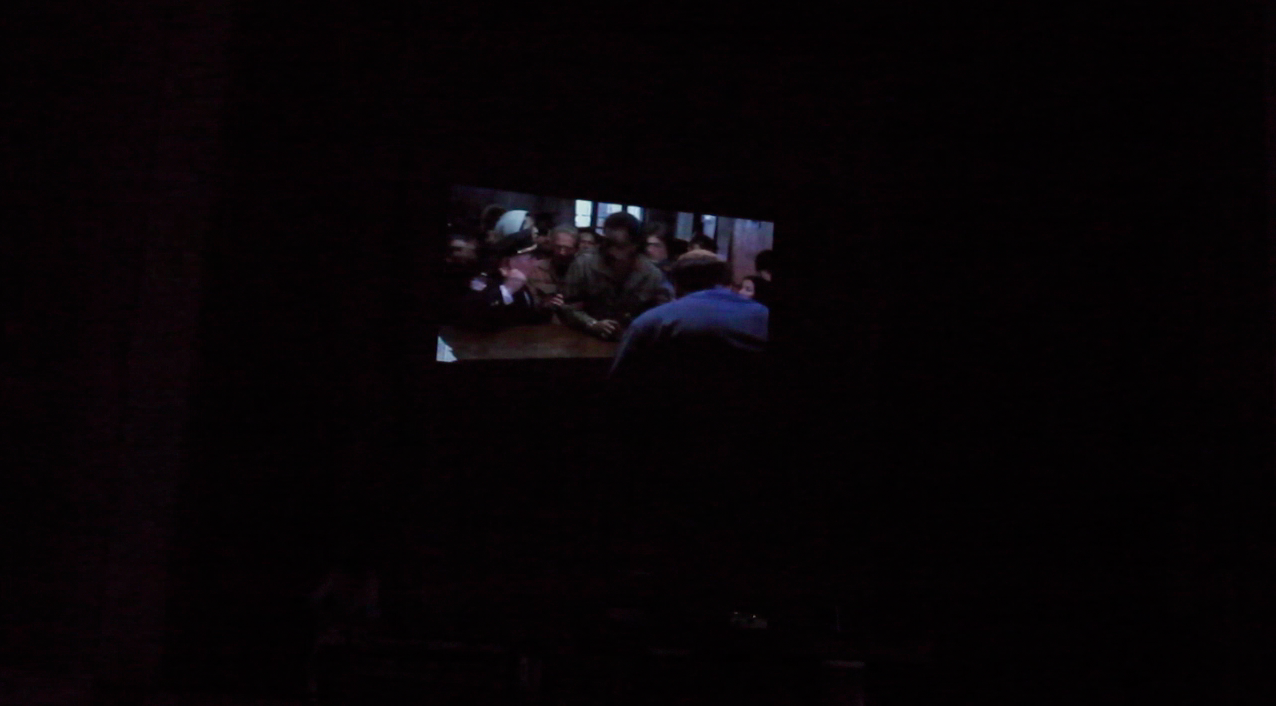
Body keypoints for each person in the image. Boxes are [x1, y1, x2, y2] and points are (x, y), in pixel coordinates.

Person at [610, 250, 768, 382]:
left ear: (676, 286)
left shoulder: (651, 321)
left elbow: (619, 380)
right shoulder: (763, 315)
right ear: (729, 284)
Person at [559, 212, 672, 340]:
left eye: (621, 246)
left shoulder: (651, 274)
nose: (614, 251)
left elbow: (660, 314)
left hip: (632, 339)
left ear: (635, 245)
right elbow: (569, 307)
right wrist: (591, 323)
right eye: (609, 243)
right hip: (585, 338)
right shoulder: (584, 264)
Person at [456, 237, 552, 331]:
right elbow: (473, 319)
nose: (536, 263)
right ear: (507, 262)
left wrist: (545, 308)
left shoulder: (521, 283)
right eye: (531, 258)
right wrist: (506, 290)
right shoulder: (486, 281)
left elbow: (523, 320)